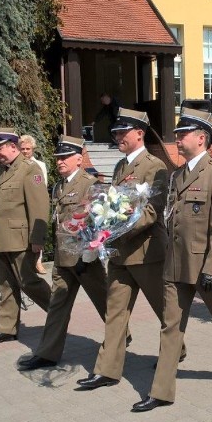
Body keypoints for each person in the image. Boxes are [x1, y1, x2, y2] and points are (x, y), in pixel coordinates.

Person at [132, 108, 212, 413]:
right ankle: (161, 390)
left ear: (201, 138)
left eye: (182, 134)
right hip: (177, 264)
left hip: (205, 266)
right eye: (177, 134)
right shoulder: (177, 175)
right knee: (170, 326)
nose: (177, 139)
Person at [74, 109, 185, 388]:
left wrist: (115, 229)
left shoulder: (156, 166)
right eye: (115, 133)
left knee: (163, 309)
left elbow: (152, 210)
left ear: (140, 133)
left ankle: (177, 349)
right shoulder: (120, 167)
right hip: (120, 254)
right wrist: (101, 226)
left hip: (147, 252)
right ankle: (107, 370)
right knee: (115, 312)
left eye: (123, 132)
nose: (117, 136)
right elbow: (113, 202)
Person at [16, 136, 110, 369]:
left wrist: (89, 253)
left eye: (65, 157)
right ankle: (47, 353)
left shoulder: (89, 184)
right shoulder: (59, 186)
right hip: (62, 259)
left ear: (79, 159)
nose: (60, 161)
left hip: (84, 260)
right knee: (57, 306)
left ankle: (120, 336)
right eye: (58, 157)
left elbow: (100, 223)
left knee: (106, 303)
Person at [0, 127, 51, 346]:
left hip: (20, 239)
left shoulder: (30, 169)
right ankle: (6, 329)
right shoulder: (2, 171)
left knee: (28, 282)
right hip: (2, 238)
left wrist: (37, 239)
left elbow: (39, 207)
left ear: (13, 146)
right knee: (7, 285)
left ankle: (58, 312)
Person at [19, 135, 49, 275]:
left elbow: (43, 184)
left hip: (34, 200)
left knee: (37, 228)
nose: (25, 151)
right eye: (22, 149)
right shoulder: (17, 166)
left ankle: (38, 261)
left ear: (33, 149)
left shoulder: (39, 165)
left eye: (28, 149)